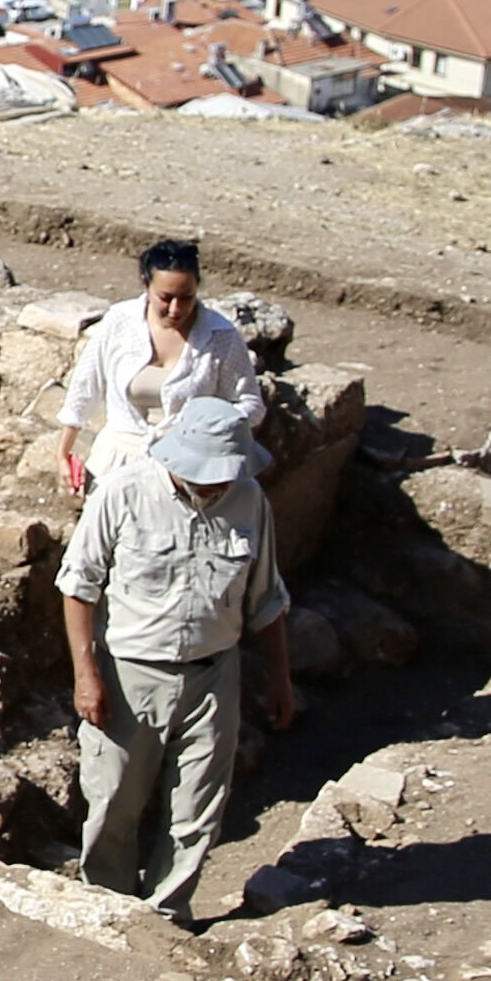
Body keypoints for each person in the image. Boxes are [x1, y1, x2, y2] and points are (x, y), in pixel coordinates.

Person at [54, 394, 298, 925]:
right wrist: (86, 674)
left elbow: (267, 599)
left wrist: (281, 679)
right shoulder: (122, 493)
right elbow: (78, 588)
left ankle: (167, 915)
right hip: (129, 675)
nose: (216, 484)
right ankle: (111, 912)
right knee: (115, 803)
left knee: (196, 810)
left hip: (213, 675)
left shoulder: (250, 500)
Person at [54, 235, 265, 496]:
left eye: (186, 297)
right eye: (165, 298)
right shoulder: (119, 321)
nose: (176, 309)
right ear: (146, 285)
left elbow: (250, 405)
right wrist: (63, 452)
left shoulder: (221, 337)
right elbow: (84, 387)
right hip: (115, 463)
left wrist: (206, 435)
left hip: (188, 472)